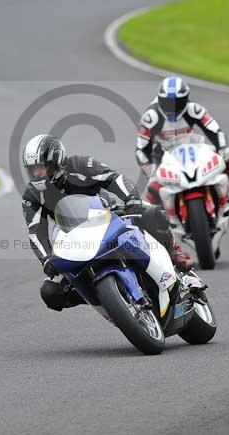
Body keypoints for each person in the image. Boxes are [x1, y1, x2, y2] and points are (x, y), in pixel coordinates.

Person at [21, 134, 194, 312]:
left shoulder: (81, 165)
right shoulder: (32, 195)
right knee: (51, 292)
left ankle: (174, 252)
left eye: (42, 167)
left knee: (150, 212)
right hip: (74, 239)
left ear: (56, 160)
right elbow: (35, 230)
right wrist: (46, 258)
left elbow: (115, 178)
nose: (37, 174)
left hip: (109, 216)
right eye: (33, 169)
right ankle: (105, 298)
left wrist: (132, 200)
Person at [135, 76, 229, 218]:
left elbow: (215, 131)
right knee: (152, 188)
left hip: (193, 148)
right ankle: (159, 218)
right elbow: (141, 148)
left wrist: (223, 148)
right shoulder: (151, 117)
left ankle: (226, 195)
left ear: (186, 99)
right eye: (168, 102)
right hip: (164, 155)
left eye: (178, 102)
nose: (173, 107)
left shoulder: (194, 110)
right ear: (160, 99)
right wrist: (148, 167)